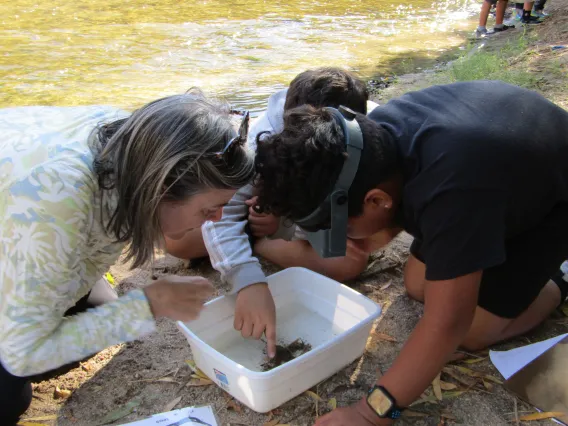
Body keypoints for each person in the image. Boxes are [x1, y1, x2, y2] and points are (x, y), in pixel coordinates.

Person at [253, 80, 568, 425]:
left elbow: (448, 323)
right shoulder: (362, 142)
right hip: (497, 172)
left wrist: (370, 413)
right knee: (418, 284)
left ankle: (559, 281)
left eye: (338, 229)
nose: (338, 240)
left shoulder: (453, 194)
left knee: (471, 331)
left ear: (376, 200)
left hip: (551, 200)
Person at [0, 93, 254, 424]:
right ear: (162, 188)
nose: (217, 219)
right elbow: (22, 354)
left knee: (102, 308)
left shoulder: (133, 144)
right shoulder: (60, 198)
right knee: (10, 397)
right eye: (208, 209)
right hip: (30, 222)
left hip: (21, 232)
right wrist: (149, 304)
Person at [164, 68, 387, 358]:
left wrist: (282, 226)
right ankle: (256, 241)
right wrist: (246, 278)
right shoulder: (258, 142)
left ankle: (262, 242)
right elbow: (228, 209)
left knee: (350, 262)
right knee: (176, 242)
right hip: (256, 212)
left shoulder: (367, 134)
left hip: (298, 223)